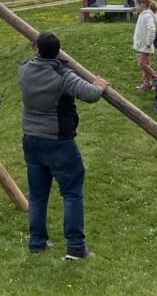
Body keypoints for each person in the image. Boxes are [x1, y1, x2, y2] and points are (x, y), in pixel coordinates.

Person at [18, 31, 109, 259]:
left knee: (37, 196)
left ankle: (37, 243)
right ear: (58, 52)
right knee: (72, 193)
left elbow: (36, 58)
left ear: (36, 49)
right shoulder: (62, 74)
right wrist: (98, 85)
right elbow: (89, 95)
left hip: (31, 139)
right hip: (58, 141)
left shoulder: (24, 69)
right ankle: (76, 247)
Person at [132, 0, 157, 91]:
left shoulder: (147, 15)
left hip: (145, 45)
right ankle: (146, 83)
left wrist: (149, 42)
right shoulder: (143, 15)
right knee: (145, 64)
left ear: (142, 5)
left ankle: (156, 78)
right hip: (142, 45)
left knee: (142, 64)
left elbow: (152, 29)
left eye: (136, 5)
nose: (135, 7)